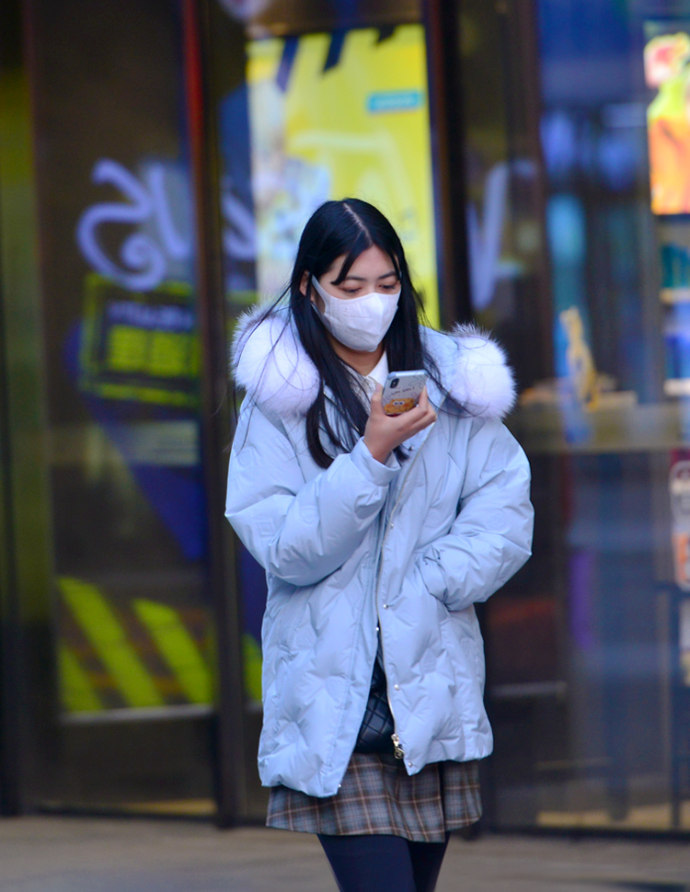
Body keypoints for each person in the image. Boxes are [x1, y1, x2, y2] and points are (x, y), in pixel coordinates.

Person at [225, 198, 533, 891]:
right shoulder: (279, 397)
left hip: (427, 690)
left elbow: (505, 512)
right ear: (310, 289)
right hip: (335, 702)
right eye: (352, 286)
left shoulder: (454, 385)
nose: (372, 302)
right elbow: (286, 548)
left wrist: (430, 580)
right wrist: (369, 457)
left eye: (387, 283)